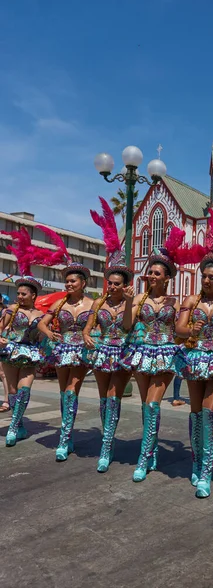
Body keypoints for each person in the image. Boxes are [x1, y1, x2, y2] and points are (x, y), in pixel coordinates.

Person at [175, 205, 213, 498]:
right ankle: (197, 461)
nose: (207, 280)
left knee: (211, 413)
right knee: (196, 411)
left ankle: (207, 472)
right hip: (195, 357)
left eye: (212, 277)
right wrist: (193, 332)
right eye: (205, 276)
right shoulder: (190, 300)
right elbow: (179, 330)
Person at [120, 227, 186, 482]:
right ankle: (153, 448)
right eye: (150, 272)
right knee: (145, 405)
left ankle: (144, 457)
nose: (151, 276)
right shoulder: (137, 298)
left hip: (166, 354)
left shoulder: (175, 303)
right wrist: (127, 303)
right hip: (141, 352)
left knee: (152, 403)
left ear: (167, 278)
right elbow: (127, 326)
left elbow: (179, 330)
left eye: (157, 273)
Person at [0, 226, 67, 445]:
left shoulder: (41, 314)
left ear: (33, 295)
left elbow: (44, 332)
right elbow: (1, 329)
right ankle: (18, 426)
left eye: (23, 293)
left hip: (30, 353)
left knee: (24, 389)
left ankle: (12, 427)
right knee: (11, 390)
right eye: (18, 293)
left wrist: (50, 337)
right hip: (10, 350)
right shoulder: (10, 310)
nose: (19, 296)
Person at [82, 197, 134, 472]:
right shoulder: (98, 303)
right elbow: (88, 326)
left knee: (114, 395)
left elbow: (127, 327)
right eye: (109, 283)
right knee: (103, 397)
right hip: (102, 352)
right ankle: (108, 440)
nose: (112, 287)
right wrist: (88, 335)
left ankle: (106, 445)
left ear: (125, 285)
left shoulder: (130, 303)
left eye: (117, 284)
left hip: (122, 352)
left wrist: (127, 302)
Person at [38, 235, 93, 462]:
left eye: (73, 281)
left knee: (71, 392)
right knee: (63, 394)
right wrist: (50, 332)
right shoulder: (58, 303)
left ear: (83, 283)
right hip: (62, 350)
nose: (69, 284)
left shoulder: (93, 304)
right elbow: (42, 322)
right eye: (67, 281)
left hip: (81, 351)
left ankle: (64, 438)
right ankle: (67, 435)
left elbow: (99, 325)